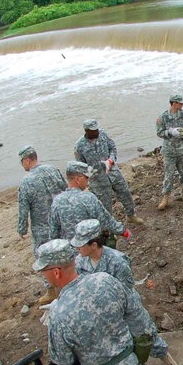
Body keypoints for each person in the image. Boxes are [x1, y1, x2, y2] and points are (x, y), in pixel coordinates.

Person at [35, 239, 160, 365]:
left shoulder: (58, 314)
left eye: (44, 271)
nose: (42, 275)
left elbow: (64, 360)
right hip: (130, 357)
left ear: (56, 272)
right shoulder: (104, 279)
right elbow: (133, 312)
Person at [70, 219, 178, 365]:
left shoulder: (117, 261)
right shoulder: (80, 262)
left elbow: (125, 292)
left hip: (127, 309)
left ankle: (163, 354)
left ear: (93, 245)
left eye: (81, 244)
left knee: (144, 334)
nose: (77, 247)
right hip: (101, 313)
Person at [17, 145, 67, 305]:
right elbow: (65, 188)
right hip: (60, 221)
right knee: (63, 251)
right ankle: (67, 281)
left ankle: (52, 290)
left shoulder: (26, 181)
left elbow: (23, 208)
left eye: (21, 162)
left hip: (42, 228)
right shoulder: (52, 169)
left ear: (26, 160)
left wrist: (21, 229)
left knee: (43, 258)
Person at [74, 119, 144, 225]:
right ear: (87, 131)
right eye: (94, 130)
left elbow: (113, 148)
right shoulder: (79, 146)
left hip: (113, 172)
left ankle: (131, 215)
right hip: (98, 180)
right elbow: (81, 166)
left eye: (97, 129)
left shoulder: (103, 134)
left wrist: (111, 160)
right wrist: (90, 173)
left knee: (125, 193)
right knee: (105, 206)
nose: (97, 131)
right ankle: (110, 229)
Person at [50, 161, 130, 243]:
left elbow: (54, 232)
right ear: (77, 179)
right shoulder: (89, 198)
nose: (88, 180)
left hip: (70, 250)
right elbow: (106, 221)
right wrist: (123, 231)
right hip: (89, 248)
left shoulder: (57, 201)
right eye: (86, 177)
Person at [155, 93, 183, 210]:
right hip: (169, 150)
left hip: (182, 149)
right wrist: (170, 132)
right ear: (174, 103)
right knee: (168, 175)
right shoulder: (163, 117)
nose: (182, 105)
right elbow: (159, 132)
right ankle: (166, 198)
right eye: (180, 103)